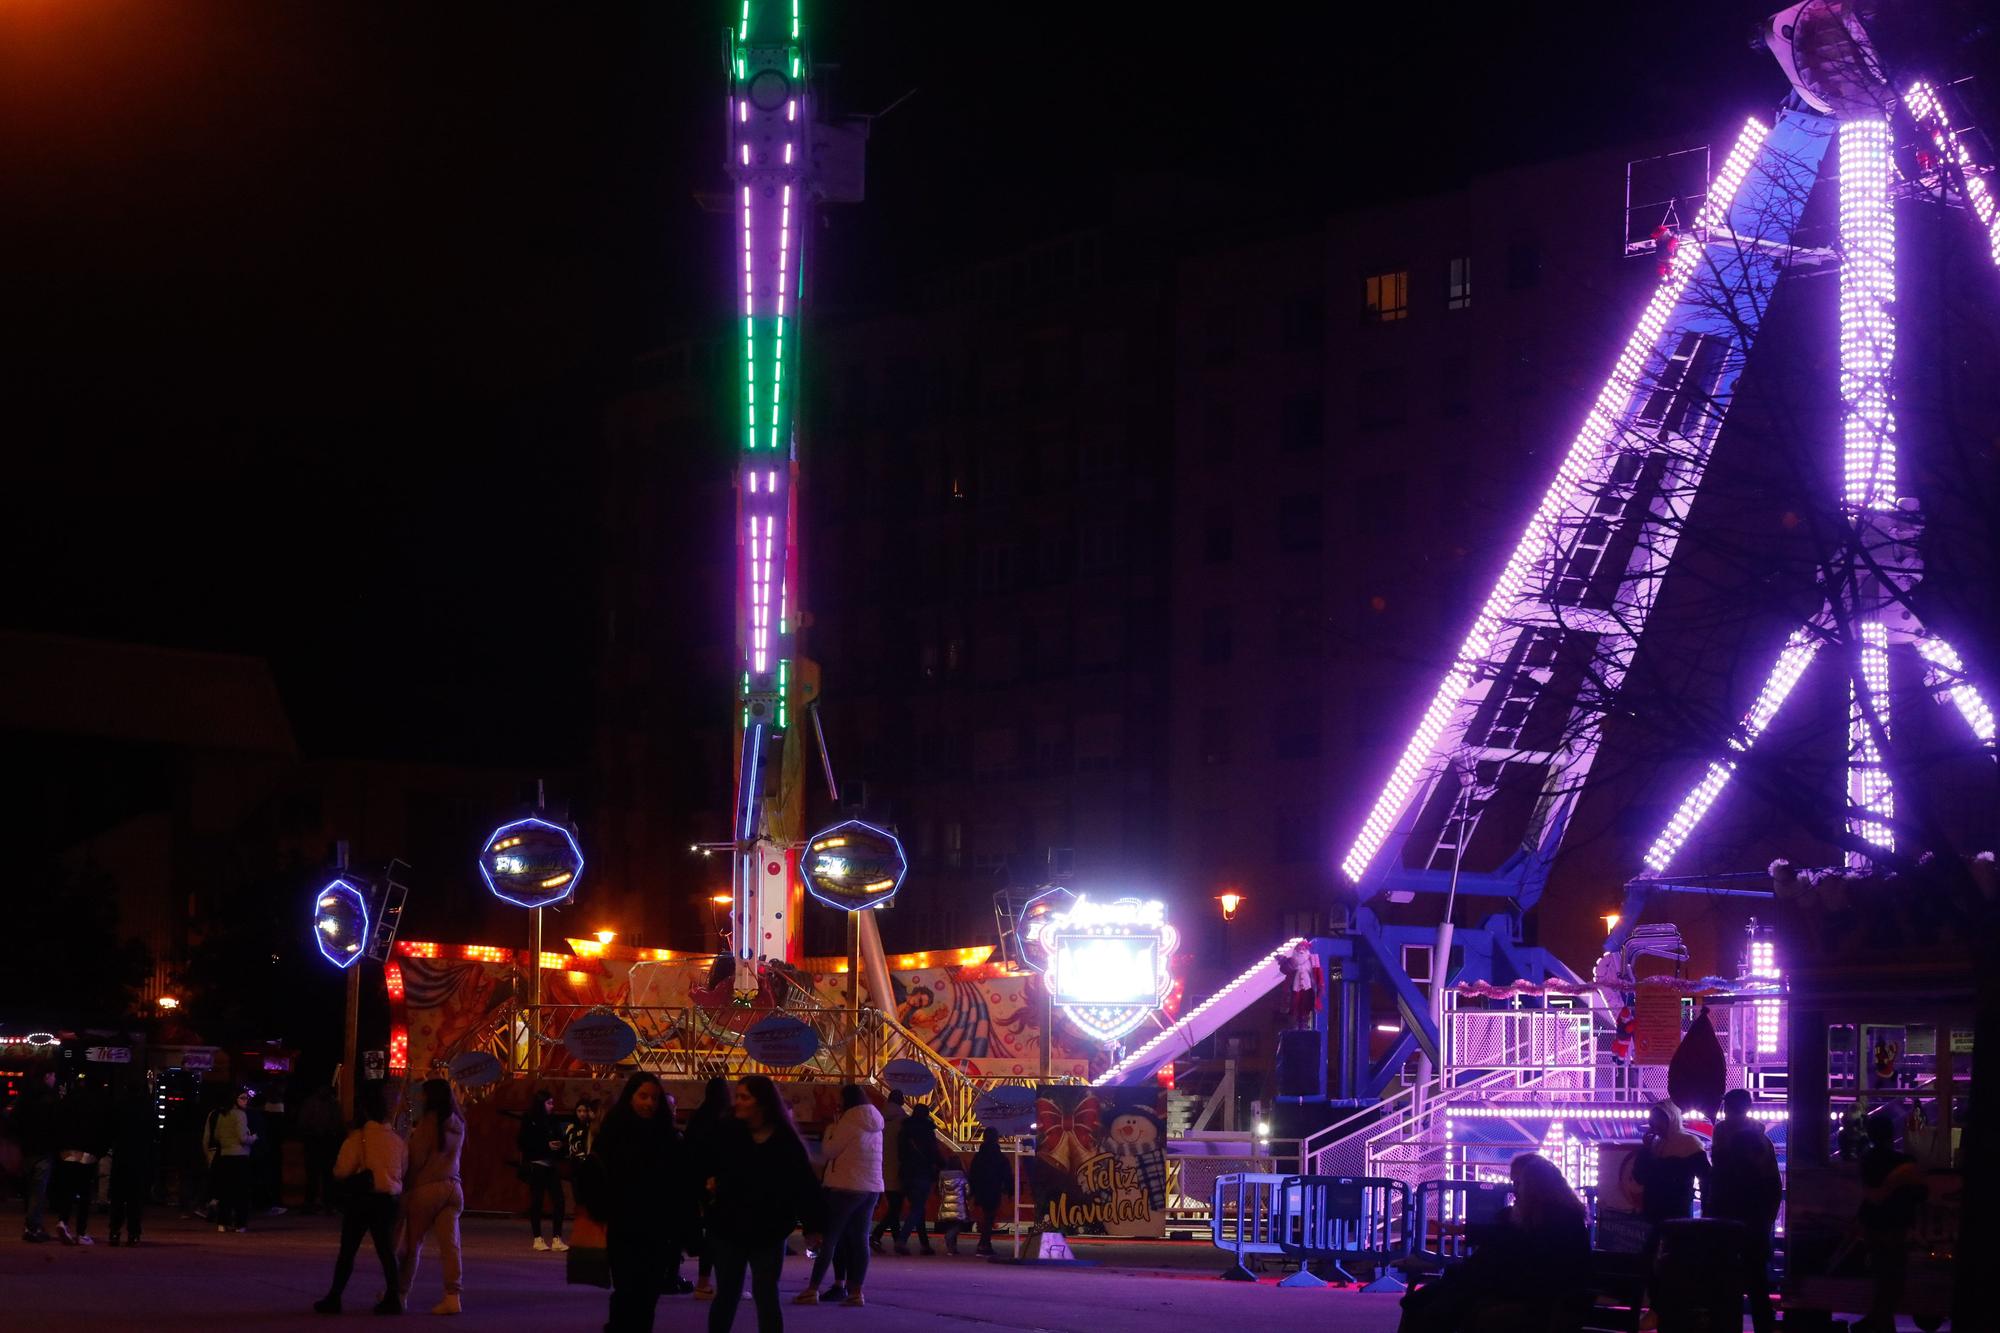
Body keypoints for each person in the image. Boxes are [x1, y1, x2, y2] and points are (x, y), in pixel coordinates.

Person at [1398, 1152, 1592, 1333]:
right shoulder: (1548, 1217)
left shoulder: (1553, 1222)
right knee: (1435, 1304)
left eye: (1518, 1184)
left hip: (1535, 1298)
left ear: (1534, 1189)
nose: (1514, 1191)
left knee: (1436, 1307)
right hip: (1518, 1291)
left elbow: (1534, 1268)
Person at [706, 1076, 824, 1333]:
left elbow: (803, 1185)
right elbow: (708, 1167)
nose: (737, 1102)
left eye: (744, 1097)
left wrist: (813, 1226)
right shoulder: (727, 1132)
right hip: (729, 1227)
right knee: (727, 1294)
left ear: (762, 1102)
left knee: (767, 1294)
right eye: (737, 1096)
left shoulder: (786, 1142)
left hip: (768, 1229)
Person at [588, 1072, 692, 1332]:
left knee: (648, 1295)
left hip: (657, 1230)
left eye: (654, 1098)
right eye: (643, 1096)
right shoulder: (614, 1133)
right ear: (630, 1097)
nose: (649, 1103)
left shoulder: (667, 1137)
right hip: (623, 1226)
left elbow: (679, 1184)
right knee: (626, 1290)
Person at [314, 1082, 407, 1316]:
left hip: (362, 1200)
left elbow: (342, 1170)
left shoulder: (359, 1137)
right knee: (386, 1251)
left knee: (348, 1250)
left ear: (364, 1111)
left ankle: (335, 1296)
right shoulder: (397, 1141)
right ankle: (394, 1297)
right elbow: (402, 1170)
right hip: (389, 1200)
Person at [1708, 1088, 1782, 1333]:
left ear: (1728, 1108)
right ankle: (1764, 1325)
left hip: (1727, 1218)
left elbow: (1717, 1178)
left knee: (1725, 1277)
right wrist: (1767, 1218)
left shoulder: (1721, 1136)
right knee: (1756, 1278)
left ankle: (1727, 1325)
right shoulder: (1763, 1140)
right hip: (1755, 1218)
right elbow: (1773, 1185)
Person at [799, 1085, 881, 1305]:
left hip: (845, 1186)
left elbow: (829, 1151)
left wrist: (830, 1130)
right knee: (860, 1240)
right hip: (870, 1187)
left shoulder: (848, 1121)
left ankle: (812, 1288)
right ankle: (856, 1293)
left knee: (830, 1239)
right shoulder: (875, 1122)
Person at [1633, 1099, 1709, 1322]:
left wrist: (1706, 1208)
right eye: (1653, 1120)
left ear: (1671, 1119)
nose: (1655, 1124)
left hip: (1677, 1213)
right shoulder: (1655, 1146)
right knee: (1652, 1260)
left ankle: (1664, 1309)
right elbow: (1639, 1176)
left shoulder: (1689, 1144)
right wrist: (1646, 1151)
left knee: (1669, 1262)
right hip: (1657, 1212)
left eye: (1659, 1119)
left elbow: (1706, 1177)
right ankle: (1659, 1307)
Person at [397, 1078, 466, 1316]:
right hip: (453, 1187)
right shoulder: (458, 1123)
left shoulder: (428, 1124)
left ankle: (400, 1293)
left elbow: (416, 1160)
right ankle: (452, 1295)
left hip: (427, 1189)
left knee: (412, 1245)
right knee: (450, 1245)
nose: (420, 1098)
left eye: (423, 1095)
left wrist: (404, 1188)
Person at [1856, 1111, 1927, 1333]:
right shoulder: (1905, 1162)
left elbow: (1872, 1194)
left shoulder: (1867, 1161)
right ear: (1892, 1133)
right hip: (1896, 1226)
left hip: (1873, 1225)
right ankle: (1875, 1322)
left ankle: (1877, 1323)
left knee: (1883, 1279)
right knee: (1893, 1281)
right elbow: (1920, 1193)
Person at [684, 1076, 732, 1298]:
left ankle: (704, 1282)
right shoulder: (726, 1119)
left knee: (711, 1232)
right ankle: (723, 1282)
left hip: (697, 1181)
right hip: (721, 1183)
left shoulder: (698, 1117)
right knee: (723, 1234)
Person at [49, 1079, 111, 1246]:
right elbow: (103, 1129)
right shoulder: (98, 1104)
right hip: (87, 1151)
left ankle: (63, 1220)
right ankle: (81, 1232)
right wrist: (100, 1151)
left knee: (67, 1189)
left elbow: (56, 1124)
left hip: (67, 1151)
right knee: (85, 1193)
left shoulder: (67, 1101)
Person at [106, 1081, 158, 1246]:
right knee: (135, 1199)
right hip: (139, 1157)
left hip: (122, 1156)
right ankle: (133, 1233)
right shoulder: (146, 1108)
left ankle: (114, 1231)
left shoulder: (119, 1106)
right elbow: (154, 1134)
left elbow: (111, 1130)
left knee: (118, 1198)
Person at [517, 1088, 568, 1252]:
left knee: (559, 1201)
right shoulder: (529, 1119)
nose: (552, 1106)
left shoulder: (553, 1120)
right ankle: (537, 1238)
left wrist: (559, 1145)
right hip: (537, 1165)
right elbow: (524, 1142)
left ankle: (557, 1238)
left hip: (551, 1165)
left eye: (553, 1103)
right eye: (549, 1103)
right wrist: (545, 1145)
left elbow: (561, 1138)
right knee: (537, 1202)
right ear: (541, 1104)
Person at [12, 1069, 59, 1242]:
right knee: (38, 1190)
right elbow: (55, 1124)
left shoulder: (25, 1098)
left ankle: (32, 1224)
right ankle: (33, 1227)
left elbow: (13, 1120)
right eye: (53, 1075)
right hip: (43, 1149)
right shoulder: (49, 1099)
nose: (55, 1078)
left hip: (27, 1149)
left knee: (31, 1188)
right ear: (47, 1076)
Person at [893, 1103, 946, 1255]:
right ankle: (902, 1240)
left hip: (906, 1173)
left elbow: (900, 1154)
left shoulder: (904, 1130)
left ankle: (924, 1244)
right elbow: (934, 1152)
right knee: (917, 1208)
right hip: (922, 1173)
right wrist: (942, 1164)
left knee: (918, 1208)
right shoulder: (927, 1131)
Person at [210, 1087, 258, 1233]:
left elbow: (216, 1135)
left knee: (225, 1191)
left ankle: (222, 1223)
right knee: (241, 1192)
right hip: (240, 1157)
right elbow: (243, 1138)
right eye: (242, 1098)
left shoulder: (222, 1114)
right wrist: (254, 1137)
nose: (246, 1101)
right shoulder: (240, 1115)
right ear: (235, 1100)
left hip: (225, 1156)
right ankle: (240, 1224)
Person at [869, 1089, 908, 1251]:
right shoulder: (903, 1122)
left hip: (878, 1166)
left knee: (894, 1206)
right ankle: (877, 1235)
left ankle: (894, 1238)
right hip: (897, 1168)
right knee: (895, 1207)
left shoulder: (878, 1118)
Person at [297, 1083, 345, 1214]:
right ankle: (315, 1202)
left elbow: (337, 1123)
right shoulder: (324, 1104)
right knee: (317, 1173)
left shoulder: (327, 1104)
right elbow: (303, 1122)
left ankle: (321, 1202)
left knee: (323, 1174)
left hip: (324, 1141)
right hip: (317, 1141)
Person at [967, 1127, 1012, 1256]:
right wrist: (1008, 1190)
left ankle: (984, 1243)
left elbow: (973, 1174)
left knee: (985, 1218)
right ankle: (984, 1244)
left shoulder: (979, 1156)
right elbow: (1006, 1174)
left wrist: (973, 1191)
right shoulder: (1000, 1156)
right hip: (994, 1189)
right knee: (989, 1217)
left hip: (981, 1190)